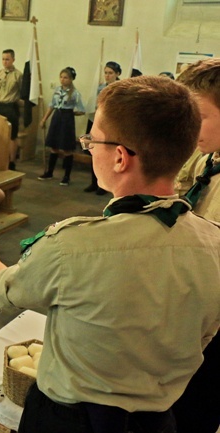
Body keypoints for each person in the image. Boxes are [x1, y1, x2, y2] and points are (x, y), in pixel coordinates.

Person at [0, 76, 220, 433]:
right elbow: (206, 333)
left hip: (71, 421)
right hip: (158, 420)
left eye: (92, 140)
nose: (88, 147)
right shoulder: (214, 243)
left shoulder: (72, 246)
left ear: (119, 158)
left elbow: (7, 290)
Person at [171, 58, 220, 433]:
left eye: (198, 115)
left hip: (214, 323)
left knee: (195, 411)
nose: (188, 127)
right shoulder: (206, 156)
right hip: (188, 308)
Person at [38, 66, 85, 185]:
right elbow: (52, 105)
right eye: (61, 77)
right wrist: (44, 119)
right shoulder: (57, 90)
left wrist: (71, 113)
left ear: (71, 79)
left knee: (67, 148)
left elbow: (82, 109)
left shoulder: (75, 93)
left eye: (66, 77)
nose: (63, 80)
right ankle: (49, 172)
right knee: (53, 146)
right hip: (56, 117)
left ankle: (66, 177)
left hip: (67, 119)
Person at [84, 61, 121, 195]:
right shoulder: (100, 88)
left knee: (107, 155)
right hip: (96, 122)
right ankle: (94, 182)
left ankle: (104, 185)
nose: (107, 76)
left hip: (110, 124)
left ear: (117, 74)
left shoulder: (120, 90)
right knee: (93, 152)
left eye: (110, 73)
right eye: (105, 73)